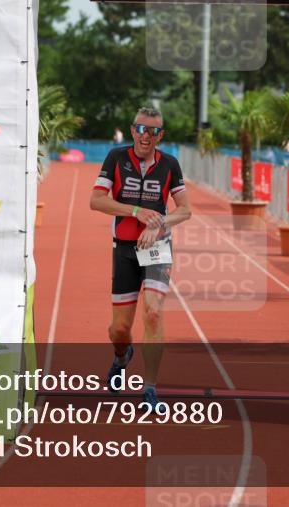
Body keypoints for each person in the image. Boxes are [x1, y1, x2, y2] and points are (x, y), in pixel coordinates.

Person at [90, 107, 192, 414]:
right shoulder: (116, 158)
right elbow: (96, 201)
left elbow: (185, 210)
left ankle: (150, 387)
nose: (147, 136)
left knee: (153, 312)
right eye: (141, 129)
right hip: (123, 246)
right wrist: (134, 211)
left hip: (156, 245)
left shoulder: (169, 164)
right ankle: (122, 357)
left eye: (154, 131)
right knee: (119, 330)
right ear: (132, 130)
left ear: (161, 135)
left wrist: (159, 223)